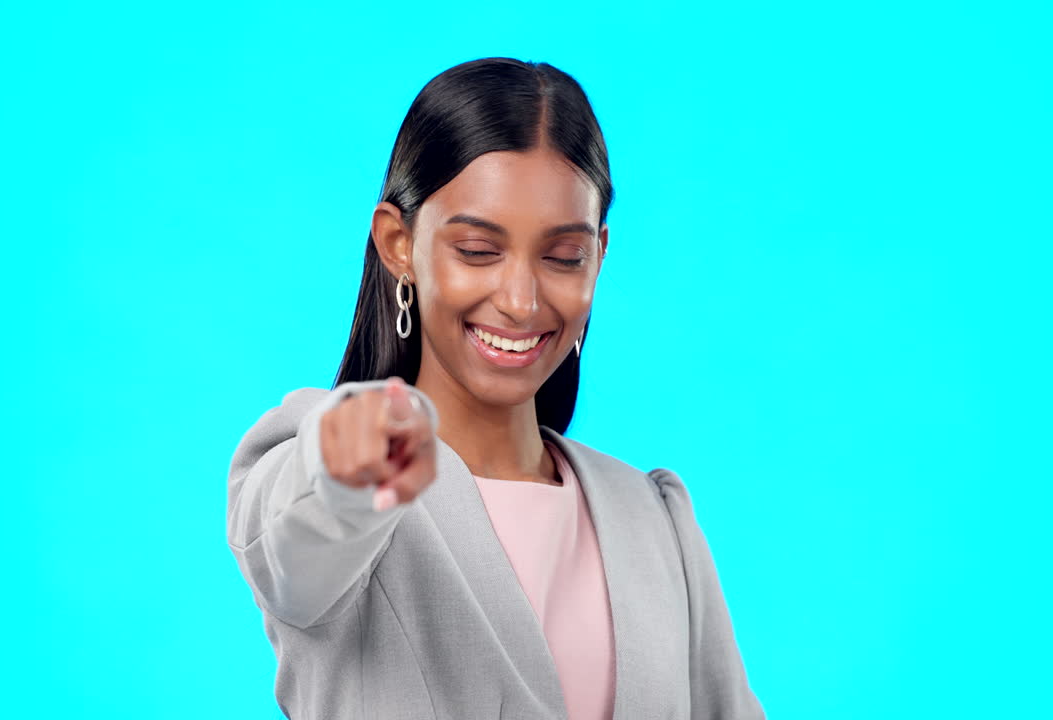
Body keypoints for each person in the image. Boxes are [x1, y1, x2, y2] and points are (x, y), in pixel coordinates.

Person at [226, 57, 765, 720]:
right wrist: (344, 462)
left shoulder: (654, 519)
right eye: (478, 251)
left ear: (597, 255)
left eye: (563, 256)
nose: (519, 300)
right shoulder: (344, 476)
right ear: (399, 244)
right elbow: (291, 551)